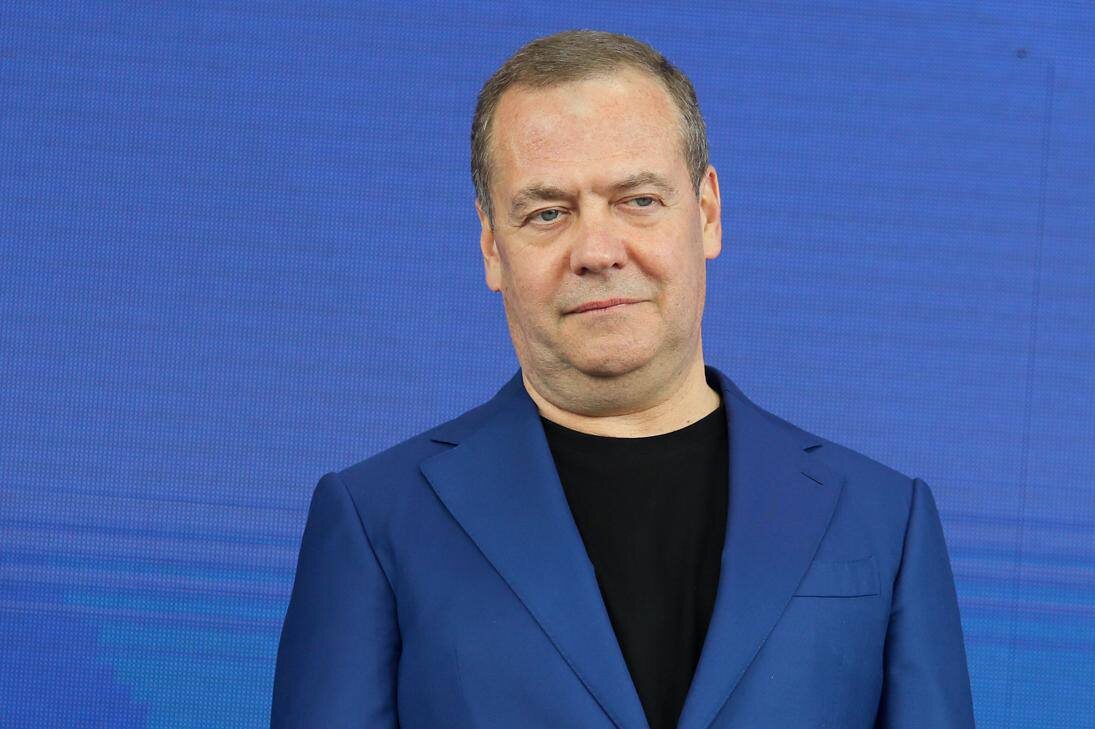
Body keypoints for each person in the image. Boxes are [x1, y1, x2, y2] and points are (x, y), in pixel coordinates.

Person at [270, 29, 974, 729]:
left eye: (637, 200)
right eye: (548, 213)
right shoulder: (375, 522)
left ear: (707, 213)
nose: (598, 251)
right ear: (491, 246)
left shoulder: (884, 519)